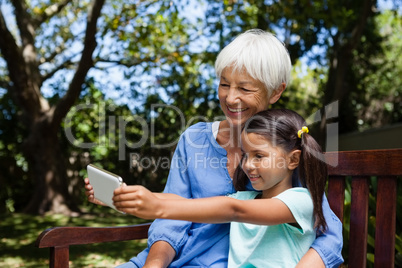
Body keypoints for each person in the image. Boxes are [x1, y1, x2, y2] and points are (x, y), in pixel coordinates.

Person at [85, 29, 343, 267]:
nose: (230, 98)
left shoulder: (285, 149)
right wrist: (126, 198)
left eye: (244, 88)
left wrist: (155, 205)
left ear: (275, 92)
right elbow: (175, 212)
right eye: (224, 84)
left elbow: (327, 234)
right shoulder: (194, 139)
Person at [113, 108, 328, 267]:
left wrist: (157, 208)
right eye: (246, 155)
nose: (247, 165)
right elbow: (189, 204)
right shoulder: (247, 198)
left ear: (293, 160)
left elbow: (232, 210)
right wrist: (129, 195)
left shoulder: (301, 201)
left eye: (259, 156)